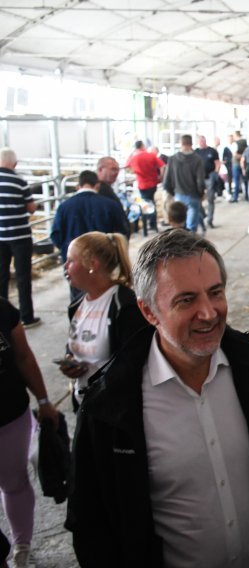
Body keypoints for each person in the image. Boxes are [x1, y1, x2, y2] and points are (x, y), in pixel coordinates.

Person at [66, 229, 249, 568]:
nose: (209, 313)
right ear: (149, 311)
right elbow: (92, 527)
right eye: (186, 300)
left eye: (215, 293)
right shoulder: (109, 407)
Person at [58, 232, 148, 408]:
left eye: (71, 261)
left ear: (92, 265)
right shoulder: (77, 305)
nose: (65, 266)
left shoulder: (125, 307)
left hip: (113, 413)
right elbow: (77, 341)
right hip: (85, 405)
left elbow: (135, 365)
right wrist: (70, 360)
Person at [0, 297, 58, 568]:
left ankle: (21, 546)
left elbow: (23, 355)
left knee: (14, 483)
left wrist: (44, 401)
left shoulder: (2, 308)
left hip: (10, 415)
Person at [50, 170, 130, 302]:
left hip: (75, 266)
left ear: (78, 186)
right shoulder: (110, 205)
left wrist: (69, 253)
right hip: (104, 263)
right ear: (97, 185)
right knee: (107, 298)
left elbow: (56, 236)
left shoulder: (64, 207)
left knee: (78, 300)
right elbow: (123, 232)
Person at [0, 148, 40, 328]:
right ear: (13, 163)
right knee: (23, 277)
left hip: (0, 236)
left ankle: (3, 316)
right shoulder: (20, 181)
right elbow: (31, 208)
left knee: (1, 276)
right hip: (20, 236)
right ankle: (27, 317)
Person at [162, 134, 205, 233]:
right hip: (194, 196)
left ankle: (180, 244)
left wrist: (172, 193)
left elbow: (167, 180)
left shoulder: (173, 159)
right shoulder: (197, 159)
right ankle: (190, 244)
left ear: (181, 144)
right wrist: (201, 193)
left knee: (179, 224)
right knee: (192, 227)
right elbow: (200, 180)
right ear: (191, 144)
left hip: (179, 195)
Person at [125, 141, 164, 232]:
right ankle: (152, 224)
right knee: (151, 202)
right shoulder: (151, 155)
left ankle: (147, 225)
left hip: (142, 185)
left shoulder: (134, 157)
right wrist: (161, 177)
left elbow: (127, 166)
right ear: (143, 146)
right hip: (153, 184)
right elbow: (162, 166)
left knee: (145, 203)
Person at [194, 135, 220, 229]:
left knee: (210, 199)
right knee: (197, 199)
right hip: (199, 179)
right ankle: (203, 214)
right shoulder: (195, 152)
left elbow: (217, 163)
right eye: (200, 141)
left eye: (203, 141)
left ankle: (210, 219)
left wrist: (215, 173)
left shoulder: (212, 151)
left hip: (209, 177)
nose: (202, 143)